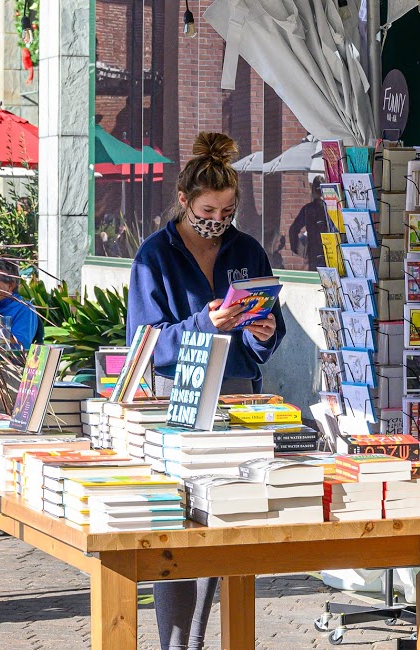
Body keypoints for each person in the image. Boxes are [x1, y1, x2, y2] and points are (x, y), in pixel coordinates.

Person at [126, 132, 286, 650]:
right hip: (177, 401)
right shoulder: (155, 255)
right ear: (184, 201)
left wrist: (264, 333)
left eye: (228, 209)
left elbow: (270, 327)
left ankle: (196, 641)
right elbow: (143, 345)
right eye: (208, 208)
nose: (217, 218)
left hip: (238, 397)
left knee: (223, 515)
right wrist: (205, 323)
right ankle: (176, 643)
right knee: (176, 523)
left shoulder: (247, 249)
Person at [288, 176, 327, 270]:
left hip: (313, 251)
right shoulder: (331, 207)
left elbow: (293, 229)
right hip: (330, 250)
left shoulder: (308, 209)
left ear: (312, 190)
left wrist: (297, 249)